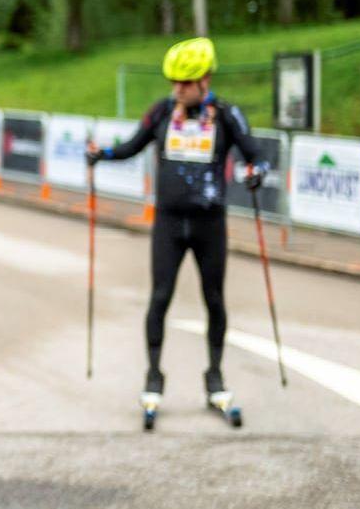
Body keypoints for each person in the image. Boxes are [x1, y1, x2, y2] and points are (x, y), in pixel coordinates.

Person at [86, 37, 267, 407]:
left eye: (184, 82)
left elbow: (257, 154)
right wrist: (100, 154)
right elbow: (131, 146)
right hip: (168, 223)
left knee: (214, 300)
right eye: (174, 82)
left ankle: (214, 378)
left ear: (205, 79)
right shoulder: (162, 112)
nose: (177, 89)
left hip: (209, 224)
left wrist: (257, 172)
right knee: (160, 298)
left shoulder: (228, 114)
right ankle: (154, 376)